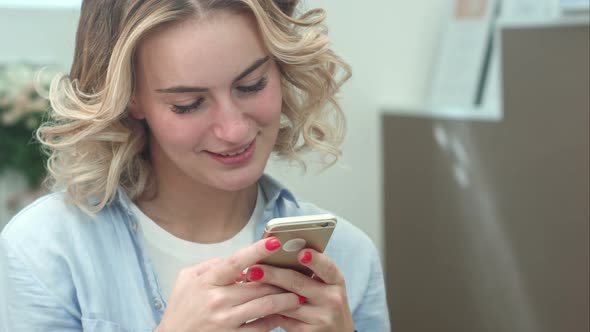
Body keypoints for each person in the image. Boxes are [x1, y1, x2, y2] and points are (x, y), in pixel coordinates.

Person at [0, 0, 390, 331]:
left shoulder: (348, 256)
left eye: (252, 85)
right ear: (131, 100)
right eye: (187, 104)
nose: (234, 129)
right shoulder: (47, 251)